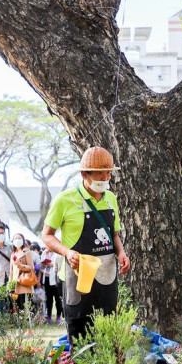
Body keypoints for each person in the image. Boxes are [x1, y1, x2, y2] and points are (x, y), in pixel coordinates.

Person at [42, 146, 131, 344]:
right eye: (100, 172)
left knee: (107, 334)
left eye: (108, 172)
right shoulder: (65, 199)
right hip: (77, 277)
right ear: (85, 174)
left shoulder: (111, 199)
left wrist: (122, 252)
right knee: (79, 333)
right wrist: (66, 252)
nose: (105, 177)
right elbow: (46, 236)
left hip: (107, 275)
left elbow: (114, 234)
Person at [9, 233, 35, 311]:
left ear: (23, 240)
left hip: (24, 285)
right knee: (16, 309)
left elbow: (31, 268)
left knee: (25, 309)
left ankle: (26, 323)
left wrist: (20, 265)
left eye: (19, 238)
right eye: (15, 239)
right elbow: (11, 272)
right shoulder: (13, 254)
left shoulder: (27, 252)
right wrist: (10, 286)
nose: (17, 240)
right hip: (15, 286)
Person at [40, 247, 63, 324]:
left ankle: (59, 316)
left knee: (58, 299)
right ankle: (49, 316)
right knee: (49, 299)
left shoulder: (57, 253)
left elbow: (57, 265)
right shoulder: (44, 253)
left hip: (55, 279)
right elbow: (41, 266)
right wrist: (44, 266)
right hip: (46, 278)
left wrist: (50, 264)